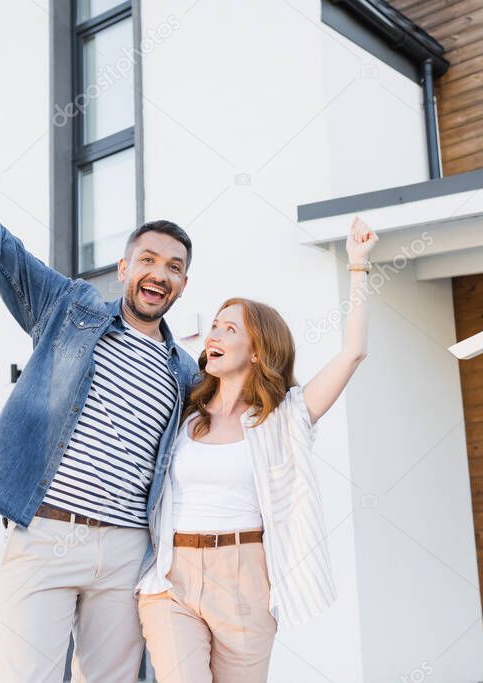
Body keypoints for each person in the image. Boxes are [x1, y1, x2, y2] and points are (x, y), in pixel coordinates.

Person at [0, 65, 198, 681]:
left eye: (173, 267)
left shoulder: (186, 370)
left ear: (182, 284)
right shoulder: (68, 309)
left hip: (127, 553)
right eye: (148, 258)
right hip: (45, 534)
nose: (159, 273)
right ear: (123, 267)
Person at [136, 217, 378, 682]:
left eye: (229, 329)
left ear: (258, 351)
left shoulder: (284, 418)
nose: (214, 336)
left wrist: (358, 266)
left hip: (246, 577)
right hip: (172, 577)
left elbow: (353, 352)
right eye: (214, 327)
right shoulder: (184, 412)